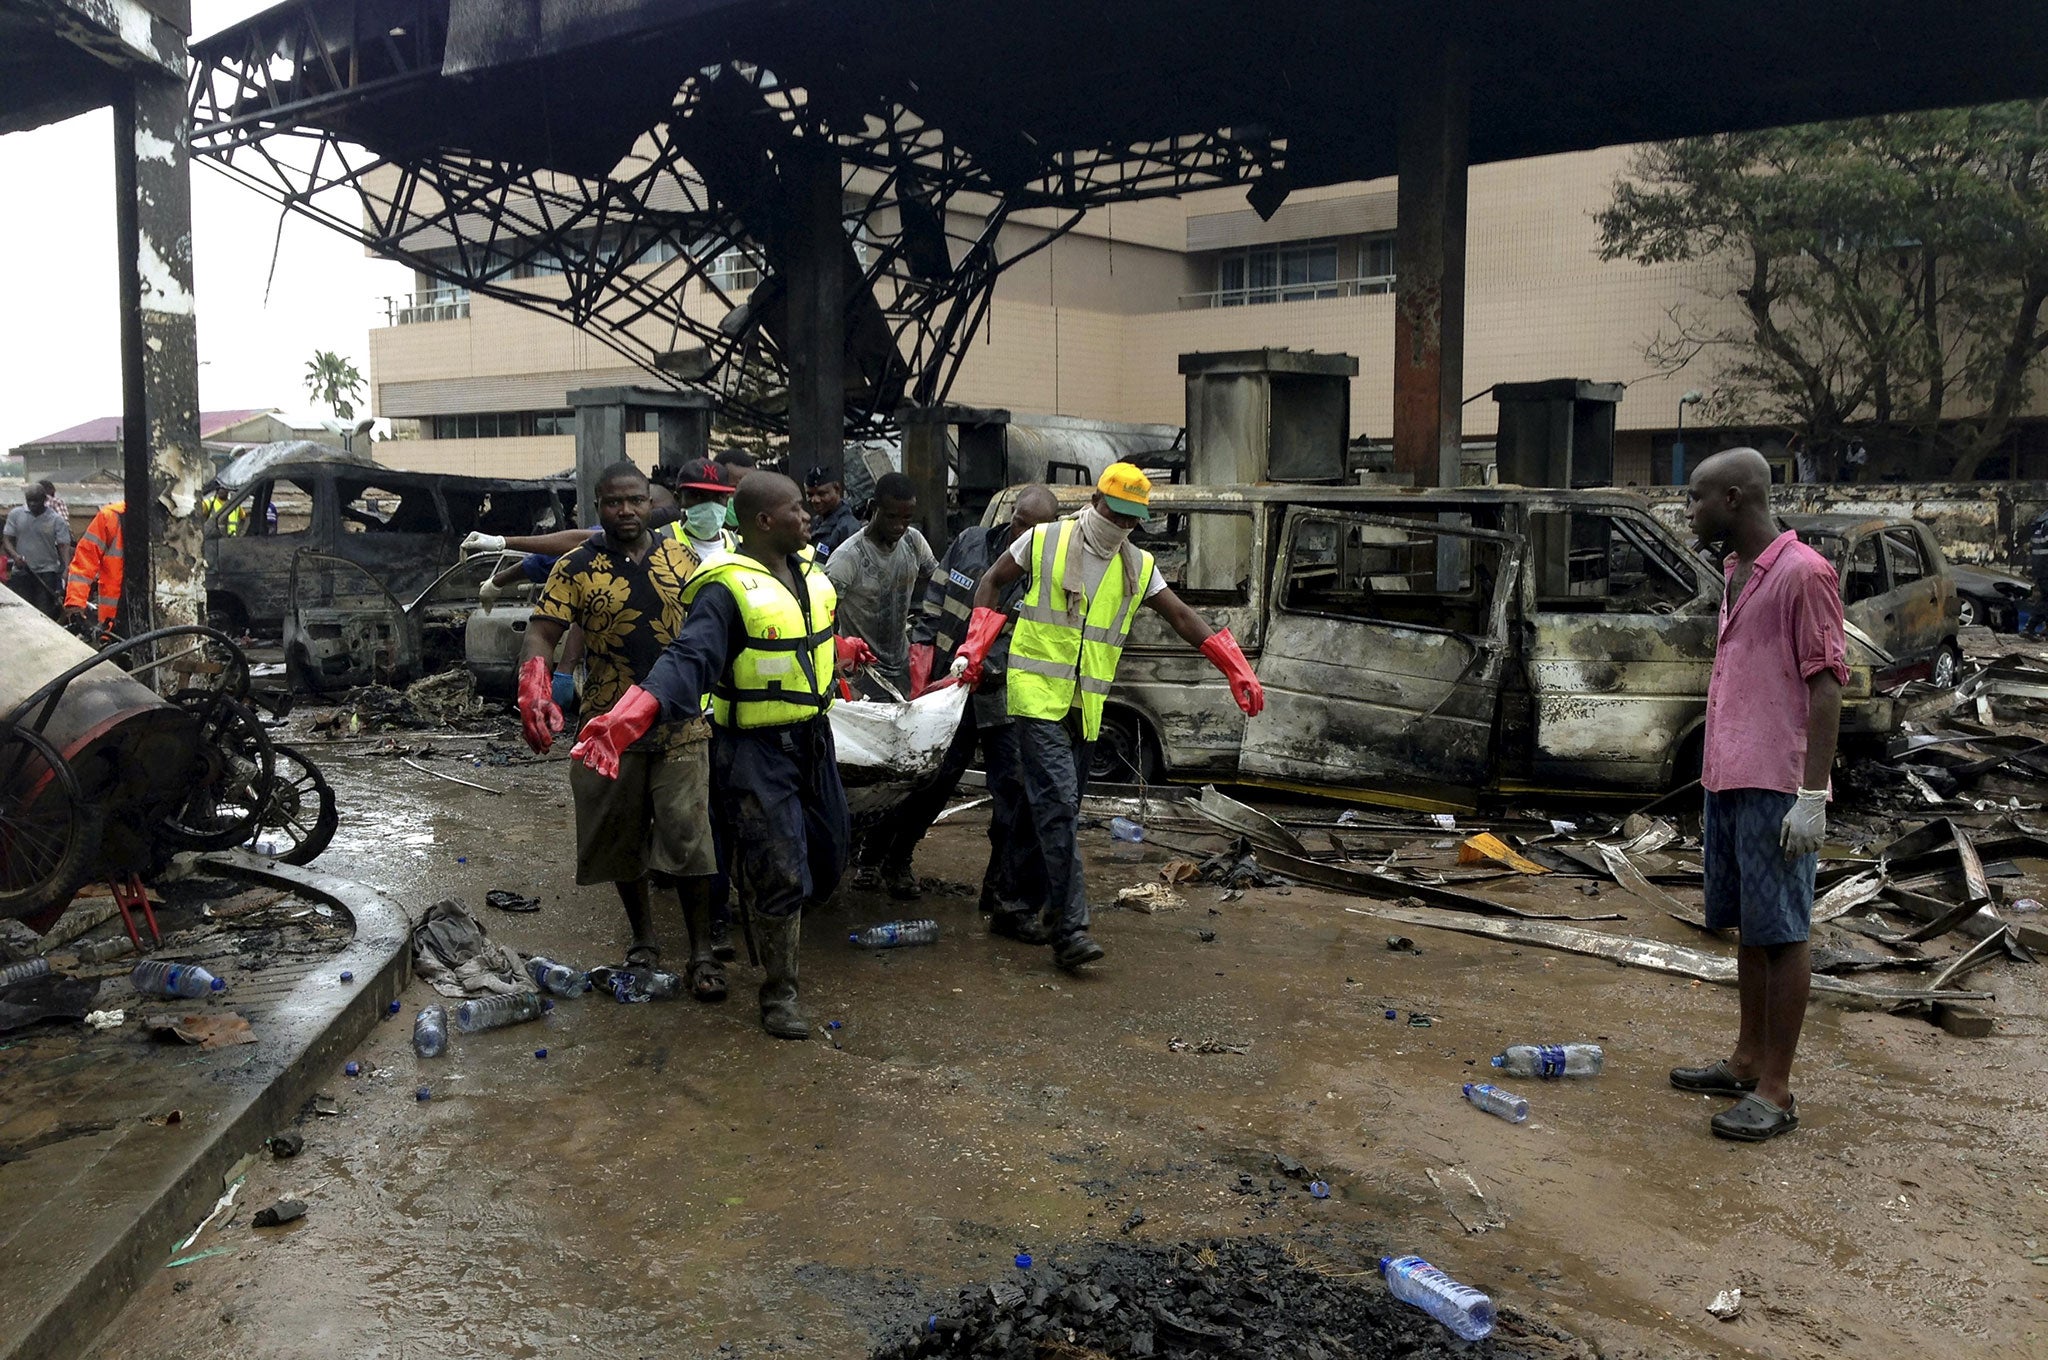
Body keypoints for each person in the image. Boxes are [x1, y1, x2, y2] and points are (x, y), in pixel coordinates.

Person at [571, 471, 876, 1039]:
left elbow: (797, 636)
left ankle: (755, 876)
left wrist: (841, 649)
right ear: (764, 521)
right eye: (796, 510)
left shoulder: (808, 572)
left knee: (828, 859)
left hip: (813, 739)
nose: (809, 516)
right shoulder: (725, 588)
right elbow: (689, 657)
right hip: (755, 748)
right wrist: (630, 715)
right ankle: (780, 994)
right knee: (782, 869)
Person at [953, 463, 1265, 970]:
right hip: (1034, 695)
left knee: (1051, 809)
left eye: (1132, 521)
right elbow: (991, 581)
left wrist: (1234, 665)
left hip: (1085, 703)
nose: (1122, 526)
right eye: (1116, 513)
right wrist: (976, 646)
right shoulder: (1046, 540)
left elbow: (1181, 615)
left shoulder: (1137, 566)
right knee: (1055, 805)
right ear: (1096, 500)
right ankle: (1070, 929)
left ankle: (1010, 903)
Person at [1670, 447, 1845, 1143]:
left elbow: (1827, 685)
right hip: (1729, 778)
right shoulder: (1736, 570)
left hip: (1778, 783)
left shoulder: (1804, 574)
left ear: (1735, 499)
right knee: (1748, 925)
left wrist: (1812, 797)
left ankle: (1776, 1090)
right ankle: (1745, 1060)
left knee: (1784, 934)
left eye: (1696, 498)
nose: (1689, 511)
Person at [517, 462, 729, 1002]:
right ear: (598, 506)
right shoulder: (574, 566)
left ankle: (702, 951)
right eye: (615, 503)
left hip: (679, 720)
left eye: (636, 501)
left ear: (650, 502)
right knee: (621, 836)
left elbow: (717, 633)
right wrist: (537, 680)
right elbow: (543, 632)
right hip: (607, 727)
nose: (627, 511)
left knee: (688, 836)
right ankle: (644, 941)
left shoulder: (685, 560)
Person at [864, 484, 1062, 918]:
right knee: (931, 780)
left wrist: (991, 668)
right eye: (1020, 524)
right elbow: (934, 598)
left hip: (1004, 701)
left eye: (1034, 530)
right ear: (1011, 515)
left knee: (1010, 797)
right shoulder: (972, 542)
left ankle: (998, 888)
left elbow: (1038, 639)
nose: (1023, 536)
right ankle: (893, 858)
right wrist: (923, 651)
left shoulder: (1052, 573)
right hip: (948, 691)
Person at [826, 471, 936, 701]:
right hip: (862, 673)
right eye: (891, 517)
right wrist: (837, 675)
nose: (899, 526)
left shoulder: (913, 542)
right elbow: (823, 619)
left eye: (906, 519)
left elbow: (939, 583)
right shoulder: (848, 558)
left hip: (903, 667)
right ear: (874, 507)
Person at [5, 483, 72, 618]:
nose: (32, 504)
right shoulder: (16, 515)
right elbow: (7, 540)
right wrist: (15, 555)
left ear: (45, 499)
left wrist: (66, 568)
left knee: (44, 614)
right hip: (22, 572)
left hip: (47, 573)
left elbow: (63, 546)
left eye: (36, 500)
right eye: (29, 500)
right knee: (21, 612)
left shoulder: (55, 520)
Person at [64, 499, 126, 634]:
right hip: (114, 621)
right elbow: (85, 560)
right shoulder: (111, 517)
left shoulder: (174, 518)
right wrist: (75, 603)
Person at [806, 469, 861, 556]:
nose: (815, 500)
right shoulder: (815, 522)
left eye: (821, 494)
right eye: (810, 495)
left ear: (837, 490)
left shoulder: (848, 528)